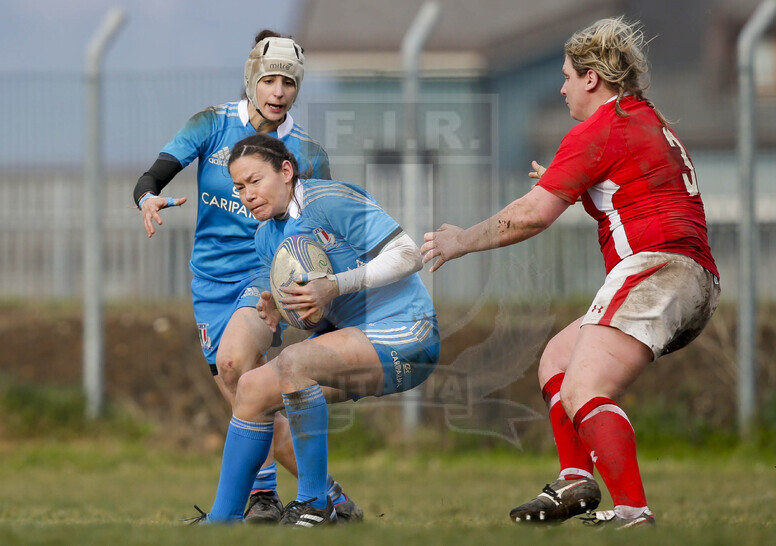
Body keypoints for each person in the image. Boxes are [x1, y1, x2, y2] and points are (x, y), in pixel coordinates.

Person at [420, 17, 719, 529]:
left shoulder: (600, 127)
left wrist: (460, 240)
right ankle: (577, 479)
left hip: (659, 269)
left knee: (585, 389)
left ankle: (632, 512)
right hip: (689, 277)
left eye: (565, 76)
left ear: (591, 78)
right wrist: (576, 183)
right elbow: (635, 188)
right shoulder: (646, 119)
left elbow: (533, 215)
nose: (560, 88)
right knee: (558, 358)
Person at [133, 30, 361, 523]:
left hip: (264, 276)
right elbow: (152, 178)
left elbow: (321, 227)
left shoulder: (306, 151)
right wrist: (146, 199)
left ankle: (240, 510)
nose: (279, 92)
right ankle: (321, 499)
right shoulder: (211, 125)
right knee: (252, 407)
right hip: (207, 285)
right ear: (252, 81)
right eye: (270, 81)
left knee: (237, 362)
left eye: (289, 83)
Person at [193, 133, 439, 526]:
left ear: (286, 171)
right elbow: (313, 314)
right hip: (358, 342)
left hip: (408, 333)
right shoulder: (266, 237)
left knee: (294, 362)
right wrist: (276, 306)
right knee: (252, 390)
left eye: (255, 181)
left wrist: (335, 285)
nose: (247, 194)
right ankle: (222, 521)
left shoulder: (329, 200)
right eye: (239, 187)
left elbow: (409, 254)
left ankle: (313, 503)